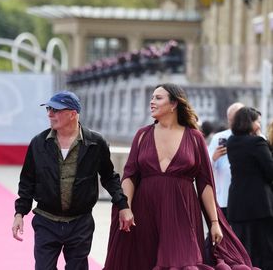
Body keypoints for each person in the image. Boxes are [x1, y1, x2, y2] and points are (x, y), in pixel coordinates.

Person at [103, 84, 258, 270]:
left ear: (174, 104)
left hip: (182, 212)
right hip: (144, 211)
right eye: (152, 97)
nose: (152, 102)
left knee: (183, 263)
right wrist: (125, 208)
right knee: (145, 262)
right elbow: (129, 176)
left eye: (158, 98)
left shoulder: (194, 137)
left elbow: (205, 183)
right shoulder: (142, 135)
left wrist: (214, 222)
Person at [12, 90, 129, 270]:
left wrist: (123, 205)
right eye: (49, 109)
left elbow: (109, 177)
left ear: (73, 114)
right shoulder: (39, 143)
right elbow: (27, 181)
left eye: (55, 110)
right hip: (46, 220)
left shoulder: (95, 143)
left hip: (80, 223)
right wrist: (19, 213)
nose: (50, 114)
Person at [227, 107, 273, 270]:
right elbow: (270, 171)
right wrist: (261, 138)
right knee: (264, 250)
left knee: (243, 249)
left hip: (238, 203)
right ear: (250, 122)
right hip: (260, 204)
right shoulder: (257, 142)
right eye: (257, 121)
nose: (259, 125)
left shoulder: (231, 142)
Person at [207, 102, 244, 218]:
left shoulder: (253, 138)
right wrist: (214, 157)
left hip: (244, 198)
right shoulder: (219, 137)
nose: (234, 123)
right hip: (223, 197)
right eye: (231, 119)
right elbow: (206, 166)